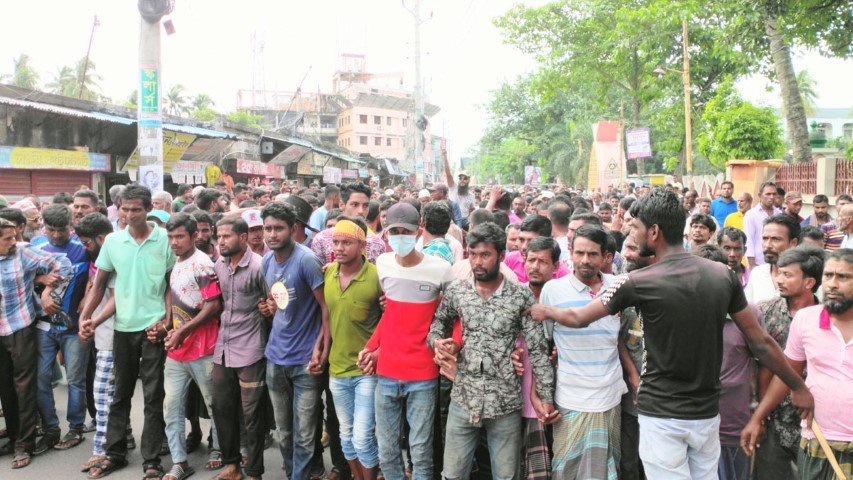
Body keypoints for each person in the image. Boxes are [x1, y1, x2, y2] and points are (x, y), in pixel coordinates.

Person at [527, 189, 815, 480]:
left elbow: (578, 318)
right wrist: (798, 387)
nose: (632, 234)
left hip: (661, 415)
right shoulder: (722, 275)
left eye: (636, 228)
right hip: (706, 415)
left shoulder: (635, 281)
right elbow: (761, 343)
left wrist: (545, 311)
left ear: (654, 231)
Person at [428, 223, 556, 480]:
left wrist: (546, 395)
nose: (477, 261)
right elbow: (438, 324)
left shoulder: (520, 296)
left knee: (506, 476)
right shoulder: (458, 291)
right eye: (473, 254)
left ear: (500, 255)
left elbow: (538, 351)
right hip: (464, 398)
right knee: (452, 474)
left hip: (505, 403)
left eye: (485, 255)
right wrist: (439, 343)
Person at [79, 184, 177, 480]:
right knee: (119, 395)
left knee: (151, 395)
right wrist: (86, 318)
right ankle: (115, 453)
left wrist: (166, 322)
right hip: (122, 328)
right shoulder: (112, 241)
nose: (129, 215)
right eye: (124, 209)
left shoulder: (164, 240)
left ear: (148, 209)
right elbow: (100, 285)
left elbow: (171, 287)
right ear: (118, 209)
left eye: (136, 209)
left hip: (153, 331)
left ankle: (151, 460)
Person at [358, 202, 455, 480]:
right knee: (388, 452)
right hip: (386, 372)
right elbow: (391, 315)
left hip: (423, 375)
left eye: (406, 231)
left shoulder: (441, 269)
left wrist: (450, 346)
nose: (400, 236)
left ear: (419, 230)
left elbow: (454, 316)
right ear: (385, 232)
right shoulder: (383, 265)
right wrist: (371, 348)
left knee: (421, 452)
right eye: (394, 231)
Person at [743, 248, 852, 480]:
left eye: (843, 277)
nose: (833, 284)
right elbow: (786, 374)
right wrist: (757, 417)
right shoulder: (806, 320)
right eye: (829, 276)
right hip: (817, 441)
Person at [541, 225, 625, 479]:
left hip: (609, 397)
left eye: (592, 254)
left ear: (605, 257)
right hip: (570, 398)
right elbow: (546, 343)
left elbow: (623, 339)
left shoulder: (619, 287)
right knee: (566, 469)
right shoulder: (552, 291)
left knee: (605, 470)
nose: (585, 260)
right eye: (579, 253)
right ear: (570, 253)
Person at [259, 201, 330, 480]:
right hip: (275, 358)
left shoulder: (306, 260)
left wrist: (320, 351)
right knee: (284, 432)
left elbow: (326, 309)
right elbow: (277, 301)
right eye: (268, 229)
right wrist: (267, 307)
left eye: (279, 228)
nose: (272, 234)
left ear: (293, 229)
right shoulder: (266, 259)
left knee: (304, 433)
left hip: (305, 362)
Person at [0, 217, 72, 469]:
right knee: (5, 388)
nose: (14, 241)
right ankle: (13, 435)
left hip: (20, 327)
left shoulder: (22, 252)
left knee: (24, 387)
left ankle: (25, 444)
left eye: (13, 236)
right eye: (7, 238)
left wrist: (45, 290)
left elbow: (63, 264)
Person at [160, 213, 223, 480]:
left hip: (204, 347)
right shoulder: (176, 261)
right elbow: (172, 296)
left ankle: (219, 450)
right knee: (171, 407)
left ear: (194, 236)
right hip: (177, 350)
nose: (174, 242)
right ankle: (179, 461)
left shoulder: (203, 264)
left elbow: (213, 305)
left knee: (214, 403)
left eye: (179, 237)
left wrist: (182, 330)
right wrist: (166, 324)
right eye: (170, 237)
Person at [752, 246, 823, 480]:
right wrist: (761, 413)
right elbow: (761, 366)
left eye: (788, 275)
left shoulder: (828, 318)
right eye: (779, 273)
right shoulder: (765, 311)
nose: (779, 280)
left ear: (809, 282)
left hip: (815, 420)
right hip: (774, 418)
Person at [211, 216, 270, 480]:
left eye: (227, 236)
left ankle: (255, 471)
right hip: (223, 348)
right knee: (222, 408)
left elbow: (273, 305)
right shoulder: (219, 265)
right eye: (219, 236)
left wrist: (266, 311)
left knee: (252, 415)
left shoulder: (260, 267)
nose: (221, 241)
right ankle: (232, 465)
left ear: (243, 238)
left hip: (251, 351)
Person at [325, 217, 383, 480]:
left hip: (366, 371)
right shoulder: (328, 273)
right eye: (336, 242)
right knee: (345, 436)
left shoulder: (377, 276)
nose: (339, 248)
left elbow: (389, 320)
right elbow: (324, 316)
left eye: (346, 243)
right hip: (337, 370)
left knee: (362, 437)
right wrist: (321, 351)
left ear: (361, 246)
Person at [31, 204, 91, 455]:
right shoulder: (34, 247)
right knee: (41, 379)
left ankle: (76, 427)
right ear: (43, 226)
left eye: (62, 229)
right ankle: (50, 427)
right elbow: (19, 277)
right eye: (51, 229)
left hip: (74, 326)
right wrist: (39, 280)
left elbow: (97, 279)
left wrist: (85, 303)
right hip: (43, 326)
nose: (56, 235)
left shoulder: (84, 250)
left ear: (72, 225)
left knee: (76, 380)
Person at [76, 213, 131, 474]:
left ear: (100, 238)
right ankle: (122, 438)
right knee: (113, 393)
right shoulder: (102, 256)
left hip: (114, 334)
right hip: (104, 333)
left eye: (87, 243)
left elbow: (115, 296)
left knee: (103, 395)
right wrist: (86, 318)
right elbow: (95, 289)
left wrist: (92, 320)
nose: (84, 248)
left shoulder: (116, 254)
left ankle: (101, 450)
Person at [617, 233, 654, 480]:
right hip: (632, 392)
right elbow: (618, 338)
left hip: (658, 395)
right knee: (628, 457)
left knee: (653, 458)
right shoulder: (621, 288)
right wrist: (632, 375)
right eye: (626, 247)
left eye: (633, 248)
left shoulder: (664, 289)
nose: (627, 253)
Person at [313, 183, 386, 264]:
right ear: (341, 205)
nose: (361, 211)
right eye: (355, 204)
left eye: (365, 206)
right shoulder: (322, 240)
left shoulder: (377, 244)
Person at [745, 215, 800, 303]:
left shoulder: (803, 279)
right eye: (765, 238)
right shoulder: (757, 274)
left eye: (776, 239)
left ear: (793, 243)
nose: (768, 245)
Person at [503, 215, 569, 283]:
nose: (524, 247)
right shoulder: (510, 259)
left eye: (531, 241)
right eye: (521, 240)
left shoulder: (562, 275)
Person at [744, 182, 783, 269]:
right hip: (758, 263)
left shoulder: (780, 214)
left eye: (774, 194)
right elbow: (748, 240)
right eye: (768, 194)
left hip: (777, 263)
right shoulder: (751, 214)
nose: (772, 197)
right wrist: (752, 264)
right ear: (760, 195)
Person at [442, 146, 476, 229]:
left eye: (465, 178)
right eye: (460, 178)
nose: (462, 180)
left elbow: (472, 210)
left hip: (465, 221)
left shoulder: (471, 195)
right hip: (452, 219)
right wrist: (445, 157)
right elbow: (448, 174)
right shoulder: (453, 187)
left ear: (468, 181)